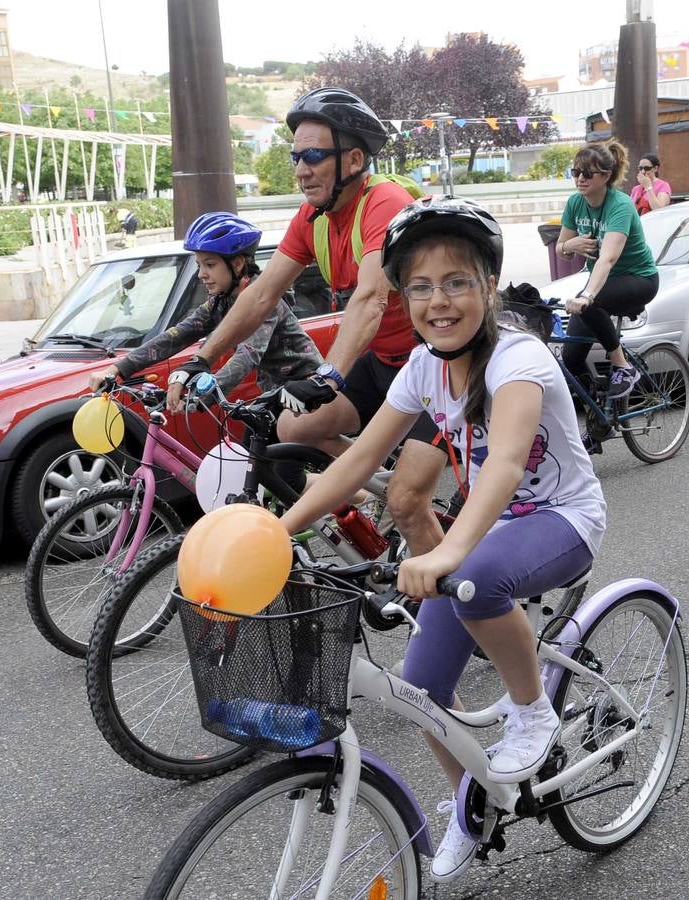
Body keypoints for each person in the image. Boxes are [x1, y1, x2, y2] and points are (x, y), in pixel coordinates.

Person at [280, 197, 606, 886]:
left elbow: (511, 461)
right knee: (422, 689)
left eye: (458, 282)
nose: (439, 302)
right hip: (495, 530)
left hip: (564, 519)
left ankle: (532, 713)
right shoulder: (424, 369)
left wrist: (451, 549)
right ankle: (471, 804)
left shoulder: (520, 359)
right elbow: (359, 461)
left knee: (475, 576)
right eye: (421, 287)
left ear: (488, 285)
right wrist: (276, 531)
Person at [168, 87, 446, 555]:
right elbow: (260, 294)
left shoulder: (384, 203)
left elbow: (372, 297)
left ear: (354, 159)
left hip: (435, 365)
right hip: (384, 362)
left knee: (407, 503)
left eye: (314, 156)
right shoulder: (313, 217)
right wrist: (202, 359)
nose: (300, 169)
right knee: (295, 427)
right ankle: (377, 480)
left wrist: (328, 375)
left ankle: (447, 596)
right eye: (296, 156)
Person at [88, 212, 321, 410]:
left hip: (308, 391)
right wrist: (117, 368)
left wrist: (203, 393)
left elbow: (247, 354)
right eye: (199, 265)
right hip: (274, 395)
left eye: (210, 265)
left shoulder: (266, 301)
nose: (201, 274)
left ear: (237, 264)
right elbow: (177, 335)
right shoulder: (219, 302)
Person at [555, 139, 660, 400]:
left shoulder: (620, 205)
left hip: (639, 279)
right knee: (571, 356)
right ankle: (597, 417)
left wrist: (587, 295)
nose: (580, 178)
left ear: (606, 176)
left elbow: (607, 259)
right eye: (575, 172)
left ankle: (622, 366)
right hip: (603, 282)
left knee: (591, 303)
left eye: (587, 173)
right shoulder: (575, 203)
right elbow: (560, 249)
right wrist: (571, 244)